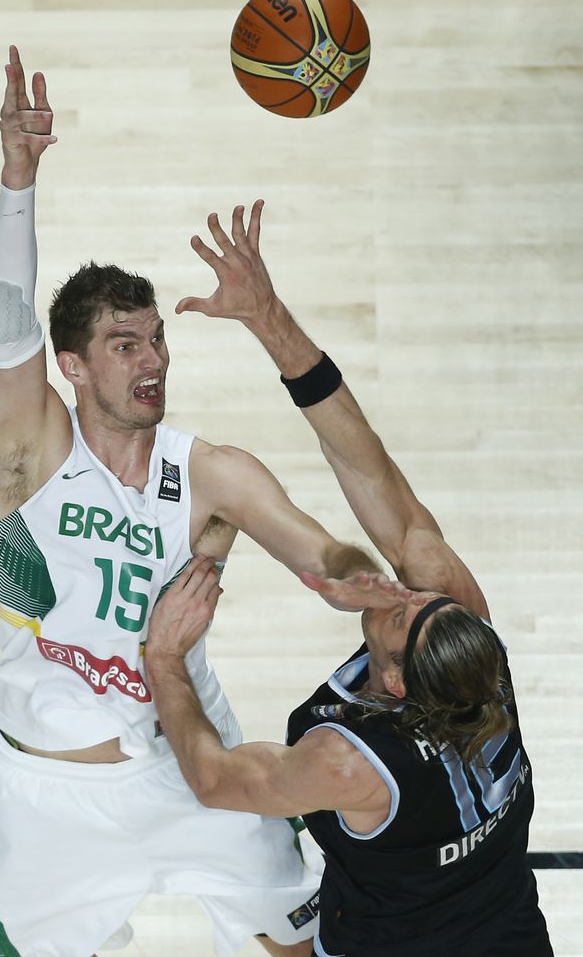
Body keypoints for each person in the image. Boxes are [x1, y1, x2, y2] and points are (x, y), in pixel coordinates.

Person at [0, 46, 403, 957]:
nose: (153, 359)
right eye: (125, 344)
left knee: (299, 947)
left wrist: (363, 579)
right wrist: (18, 179)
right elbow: (6, 324)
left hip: (190, 766)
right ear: (74, 367)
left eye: (157, 339)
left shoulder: (210, 473)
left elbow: (321, 555)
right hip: (49, 802)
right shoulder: (29, 451)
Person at [144, 204, 554, 957]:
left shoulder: (351, 764)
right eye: (425, 600)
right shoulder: (461, 629)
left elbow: (213, 780)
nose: (408, 592)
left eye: (403, 617)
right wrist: (269, 320)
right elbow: (367, 461)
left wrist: (164, 660)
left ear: (395, 685)